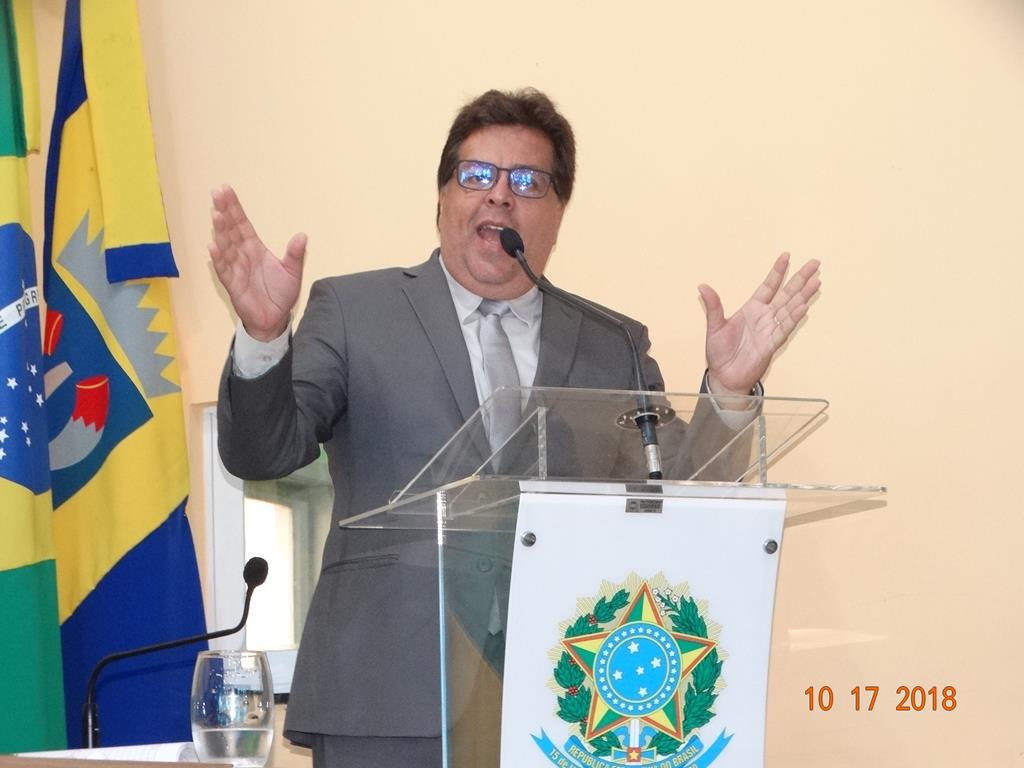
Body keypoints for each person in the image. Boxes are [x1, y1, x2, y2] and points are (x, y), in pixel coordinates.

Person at [211, 88, 820, 767]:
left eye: (528, 181)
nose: (500, 195)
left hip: (570, 698)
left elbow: (679, 493)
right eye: (477, 175)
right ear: (442, 197)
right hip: (386, 685)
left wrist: (728, 391)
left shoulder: (610, 342)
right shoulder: (355, 310)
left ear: (558, 213)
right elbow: (263, 452)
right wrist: (263, 338)